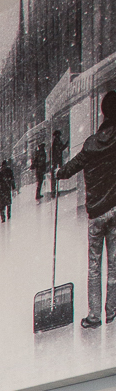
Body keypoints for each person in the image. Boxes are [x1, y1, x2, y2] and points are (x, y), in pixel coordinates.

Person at [56, 89, 116, 328]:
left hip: (96, 214)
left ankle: (94, 316)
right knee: (114, 263)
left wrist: (59, 172)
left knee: (94, 266)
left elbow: (71, 167)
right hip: (115, 209)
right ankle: (111, 310)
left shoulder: (91, 144)